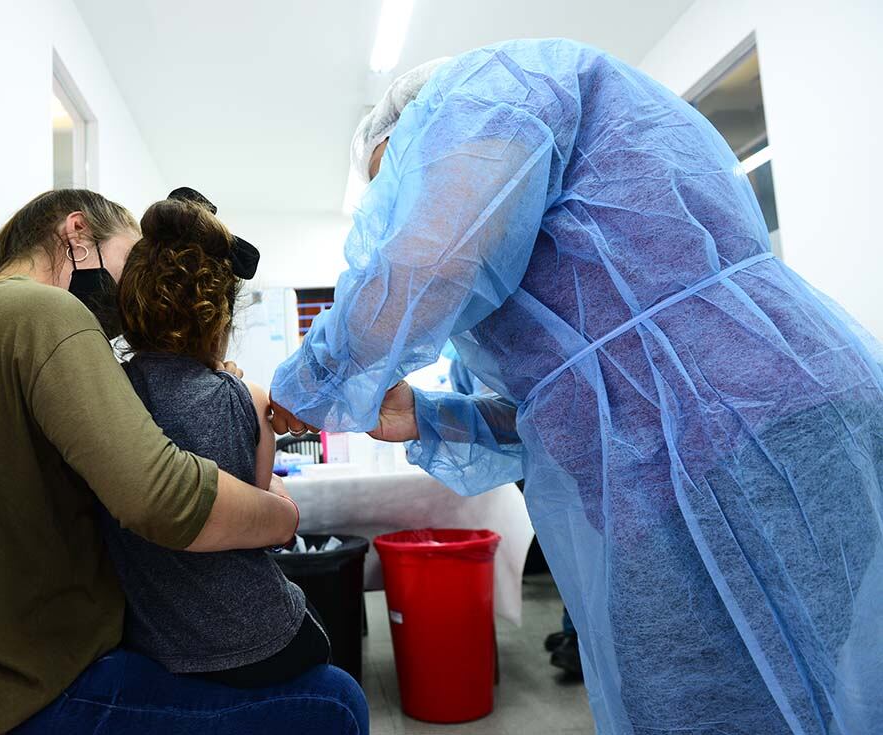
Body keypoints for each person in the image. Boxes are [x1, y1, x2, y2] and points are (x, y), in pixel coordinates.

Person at [270, 40, 883, 734]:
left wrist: (301, 386)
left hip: (732, 437)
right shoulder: (570, 202)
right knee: (799, 692)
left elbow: (425, 264)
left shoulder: (488, 92)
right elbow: (574, 404)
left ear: (418, 128)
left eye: (398, 186)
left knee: (702, 705)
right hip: (768, 418)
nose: (397, 213)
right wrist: (428, 417)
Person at [0, 189, 365, 734]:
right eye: (132, 259)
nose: (135, 291)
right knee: (334, 703)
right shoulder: (45, 310)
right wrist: (281, 516)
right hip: (20, 692)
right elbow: (163, 497)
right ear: (77, 233)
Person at [99, 191, 332, 688]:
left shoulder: (108, 396)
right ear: (219, 318)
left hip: (154, 642)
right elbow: (264, 503)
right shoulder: (245, 398)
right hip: (258, 636)